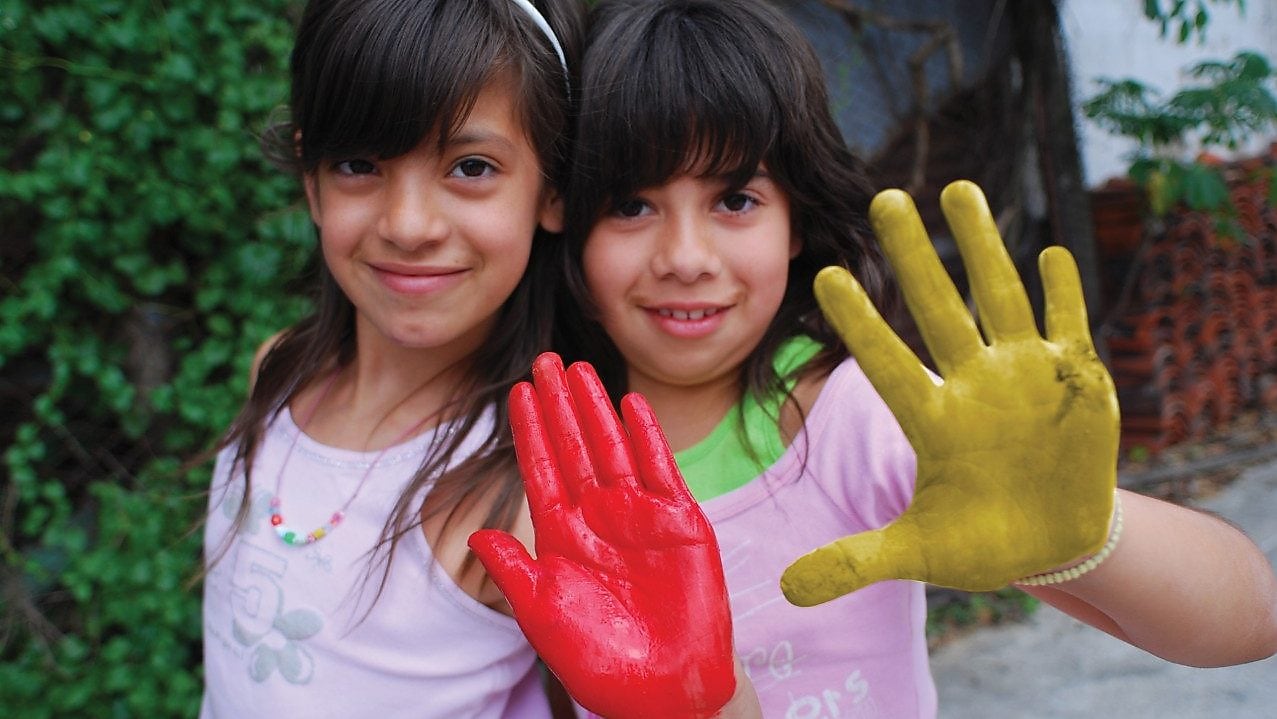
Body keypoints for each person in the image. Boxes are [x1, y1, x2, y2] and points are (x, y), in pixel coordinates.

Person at [476, 0, 1277, 717]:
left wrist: (1085, 529)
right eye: (629, 204)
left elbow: (1247, 624)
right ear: (566, 224)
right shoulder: (541, 457)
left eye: (734, 199)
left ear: (795, 222)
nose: (685, 255)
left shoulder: (857, 417)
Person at [198, 1, 587, 716]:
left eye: (471, 167)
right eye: (359, 164)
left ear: (552, 186)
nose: (408, 225)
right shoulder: (279, 372)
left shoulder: (535, 497)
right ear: (311, 179)